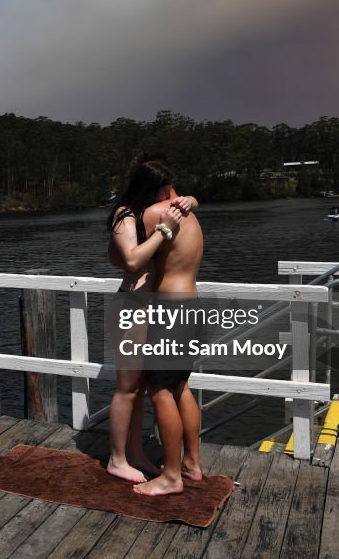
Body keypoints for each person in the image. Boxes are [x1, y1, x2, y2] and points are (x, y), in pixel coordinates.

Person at [106, 157, 198, 483]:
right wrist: (163, 232)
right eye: (165, 190)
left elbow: (186, 200)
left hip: (153, 309)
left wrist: (189, 200)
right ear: (151, 189)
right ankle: (117, 458)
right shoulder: (126, 215)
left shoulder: (154, 209)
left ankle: (136, 454)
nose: (170, 196)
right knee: (128, 387)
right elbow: (131, 260)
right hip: (132, 305)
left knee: (142, 387)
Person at [133, 192, 205, 496]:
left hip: (170, 312)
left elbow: (130, 258)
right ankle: (191, 463)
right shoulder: (190, 213)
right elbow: (192, 199)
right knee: (181, 387)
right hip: (192, 306)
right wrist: (191, 198)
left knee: (160, 392)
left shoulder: (155, 213)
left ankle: (171, 477)